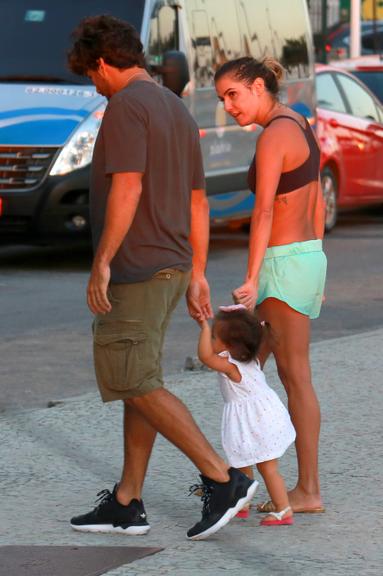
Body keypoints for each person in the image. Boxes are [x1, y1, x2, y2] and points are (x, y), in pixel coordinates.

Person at [66, 15, 257, 541]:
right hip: (172, 265)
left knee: (133, 379)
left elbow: (127, 188)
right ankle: (127, 502)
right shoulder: (174, 106)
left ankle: (224, 479)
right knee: (138, 380)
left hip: (138, 266)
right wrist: (197, 272)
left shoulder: (126, 105)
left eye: (91, 74)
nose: (94, 84)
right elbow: (199, 201)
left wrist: (102, 260)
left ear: (103, 63)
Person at [214, 57, 327, 514]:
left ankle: (306, 490)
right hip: (304, 257)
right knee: (250, 371)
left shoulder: (274, 135)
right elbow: (314, 197)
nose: (227, 106)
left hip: (282, 264)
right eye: (222, 98)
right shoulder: (296, 121)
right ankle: (241, 480)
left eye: (233, 94)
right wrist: (316, 266)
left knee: (284, 375)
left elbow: (262, 212)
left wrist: (252, 275)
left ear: (259, 86)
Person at [197, 304, 295, 526]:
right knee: (243, 458)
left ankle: (283, 509)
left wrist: (203, 326)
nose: (210, 339)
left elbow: (204, 356)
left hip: (256, 421)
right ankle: (243, 500)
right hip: (260, 417)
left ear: (230, 345)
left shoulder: (231, 366)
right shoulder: (247, 357)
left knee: (267, 467)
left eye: (213, 336)